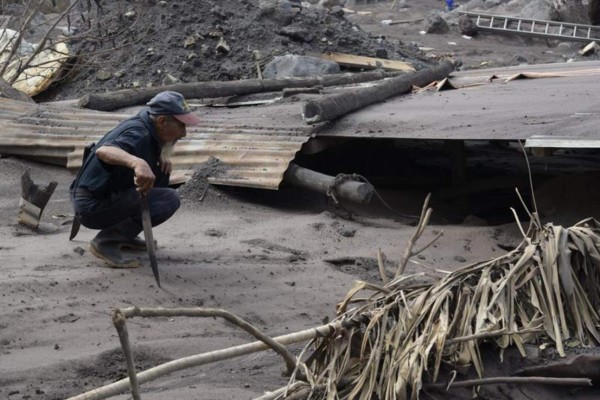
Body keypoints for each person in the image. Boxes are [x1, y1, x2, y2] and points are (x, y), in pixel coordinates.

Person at [69, 91, 201, 268]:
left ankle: (125, 235)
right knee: (168, 199)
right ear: (162, 121)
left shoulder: (149, 128)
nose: (184, 133)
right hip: (91, 207)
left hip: (100, 197)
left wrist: (157, 156)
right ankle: (106, 242)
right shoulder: (139, 132)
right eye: (181, 126)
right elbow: (104, 150)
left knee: (160, 175)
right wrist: (137, 162)